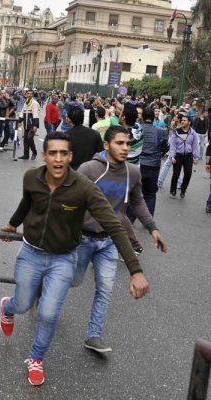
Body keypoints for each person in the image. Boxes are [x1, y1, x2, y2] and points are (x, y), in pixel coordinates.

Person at [0, 131, 149, 386]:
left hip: (63, 259)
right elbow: (28, 202)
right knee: (23, 304)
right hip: (31, 253)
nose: (58, 159)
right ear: (44, 155)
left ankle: (36, 358)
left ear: (70, 156)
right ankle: (7, 307)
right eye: (52, 153)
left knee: (48, 314)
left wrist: (135, 270)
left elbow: (114, 225)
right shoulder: (31, 177)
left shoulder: (84, 188)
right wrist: (13, 225)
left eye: (63, 154)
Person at [74, 125, 167, 353]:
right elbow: (70, 197)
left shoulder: (133, 172)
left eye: (128, 143)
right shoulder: (89, 169)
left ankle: (93, 335)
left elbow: (137, 202)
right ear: (106, 145)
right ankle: (43, 288)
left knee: (105, 289)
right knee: (72, 281)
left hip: (110, 241)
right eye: (120, 143)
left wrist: (153, 228)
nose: (125, 148)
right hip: (83, 239)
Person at [131, 107, 168, 216]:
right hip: (154, 165)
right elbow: (165, 147)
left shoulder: (137, 129)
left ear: (142, 116)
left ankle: (132, 218)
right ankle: (148, 218)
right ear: (153, 117)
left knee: (136, 193)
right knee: (151, 194)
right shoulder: (160, 131)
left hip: (139, 164)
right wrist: (159, 153)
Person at [169, 114, 200, 199]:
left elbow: (195, 146)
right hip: (178, 155)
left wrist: (195, 157)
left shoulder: (193, 133)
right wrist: (172, 156)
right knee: (176, 174)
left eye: (184, 120)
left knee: (188, 173)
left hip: (188, 156)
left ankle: (183, 189)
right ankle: (173, 191)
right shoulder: (176, 132)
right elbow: (172, 145)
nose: (182, 121)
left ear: (189, 122)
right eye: (182, 120)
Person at [18, 89, 40, 160]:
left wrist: (35, 125)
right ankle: (26, 155)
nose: (29, 95)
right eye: (28, 94)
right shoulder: (26, 102)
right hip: (26, 124)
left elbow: (36, 114)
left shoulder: (34, 103)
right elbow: (22, 112)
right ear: (26, 94)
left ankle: (34, 152)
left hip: (32, 124)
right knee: (25, 139)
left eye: (31, 94)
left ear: (33, 95)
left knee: (29, 137)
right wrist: (19, 121)